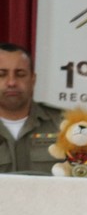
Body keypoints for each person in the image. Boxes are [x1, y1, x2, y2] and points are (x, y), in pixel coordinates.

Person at [0, 43, 63, 175]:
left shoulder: (65, 125)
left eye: (20, 74)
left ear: (33, 80)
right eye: (1, 74)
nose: (11, 82)